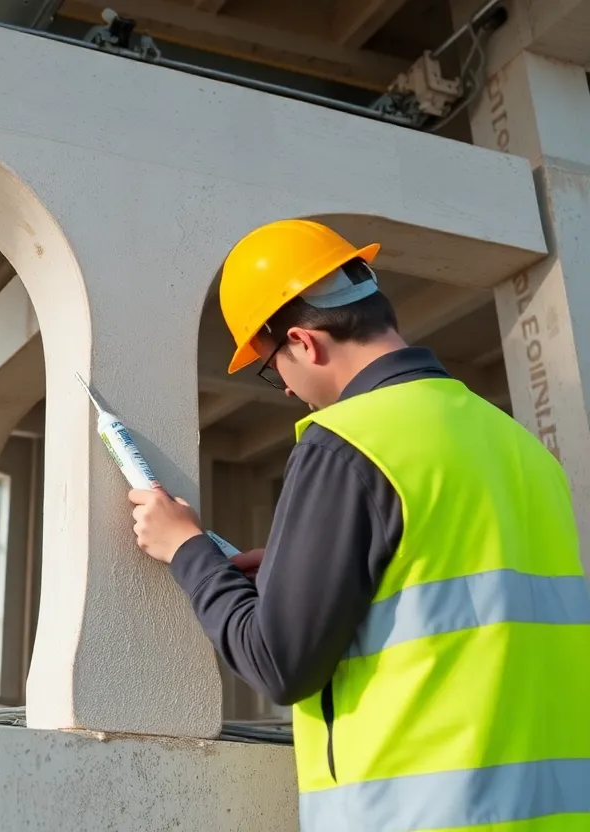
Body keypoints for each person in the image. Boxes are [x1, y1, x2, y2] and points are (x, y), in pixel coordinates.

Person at [128, 218, 590, 831]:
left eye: (272, 368)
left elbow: (276, 663)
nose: (287, 391)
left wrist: (186, 548)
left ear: (303, 341)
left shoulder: (347, 443)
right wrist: (317, 567)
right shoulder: (519, 447)